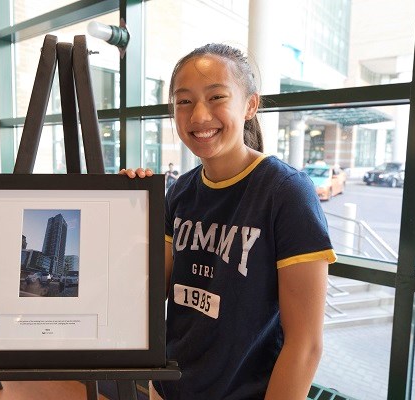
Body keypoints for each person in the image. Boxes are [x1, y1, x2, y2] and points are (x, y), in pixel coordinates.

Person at [120, 43, 336, 400]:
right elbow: (148, 291)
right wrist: (127, 212)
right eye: (184, 101)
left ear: (250, 104)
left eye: (216, 97)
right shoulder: (181, 192)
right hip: (169, 388)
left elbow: (306, 344)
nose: (199, 116)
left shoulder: (286, 192)